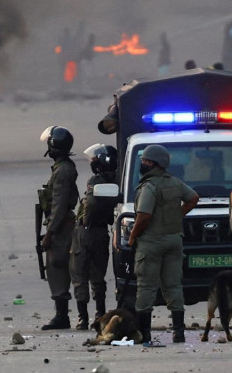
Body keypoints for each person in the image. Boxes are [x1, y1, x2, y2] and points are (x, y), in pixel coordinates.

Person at [127, 144, 199, 344]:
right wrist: (177, 216)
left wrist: (133, 237)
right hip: (174, 239)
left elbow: (143, 216)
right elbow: (193, 198)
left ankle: (145, 334)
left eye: (145, 161)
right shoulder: (175, 183)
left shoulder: (149, 186)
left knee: (147, 287)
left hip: (151, 241)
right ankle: (179, 332)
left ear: (153, 163)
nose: (142, 164)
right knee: (174, 285)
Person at [71, 144, 119, 330]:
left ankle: (82, 317)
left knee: (80, 274)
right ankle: (100, 314)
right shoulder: (116, 180)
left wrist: (84, 222)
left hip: (87, 232)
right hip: (102, 232)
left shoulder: (96, 181)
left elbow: (89, 205)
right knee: (98, 277)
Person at [38, 125, 79, 330]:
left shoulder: (62, 171)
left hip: (62, 227)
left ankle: (62, 316)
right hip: (62, 224)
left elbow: (59, 204)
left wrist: (50, 233)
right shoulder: (63, 167)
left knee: (56, 267)